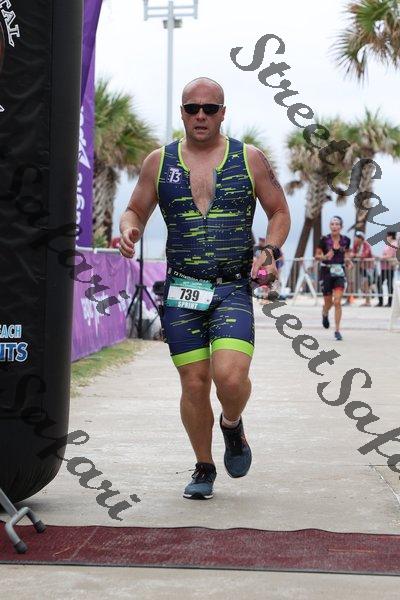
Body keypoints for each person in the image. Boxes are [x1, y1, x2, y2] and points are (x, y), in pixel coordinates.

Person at [118, 77, 290, 500]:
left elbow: (280, 211)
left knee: (230, 377)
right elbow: (135, 208)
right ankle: (204, 465)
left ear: (222, 113)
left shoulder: (248, 158)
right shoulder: (159, 162)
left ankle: (232, 423)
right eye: (192, 108)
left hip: (231, 288)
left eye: (209, 109)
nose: (200, 115)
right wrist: (129, 229)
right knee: (194, 383)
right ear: (182, 112)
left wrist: (269, 250)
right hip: (182, 289)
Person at [315, 216, 353, 341]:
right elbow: (317, 256)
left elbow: (346, 255)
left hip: (339, 273)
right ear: (330, 226)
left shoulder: (346, 240)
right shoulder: (324, 239)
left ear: (341, 227)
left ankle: (337, 330)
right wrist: (325, 257)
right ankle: (325, 313)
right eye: (332, 224)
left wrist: (348, 262)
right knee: (328, 303)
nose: (334, 226)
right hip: (326, 272)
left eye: (337, 224)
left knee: (337, 301)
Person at [376, 231, 398, 307]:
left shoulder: (393, 244)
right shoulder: (390, 244)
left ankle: (388, 302)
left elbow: (389, 256)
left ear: (390, 236)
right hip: (385, 268)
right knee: (384, 284)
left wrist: (380, 257)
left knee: (386, 284)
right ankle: (383, 301)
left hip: (389, 268)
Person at [352, 231, 374, 306]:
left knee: (366, 284)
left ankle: (368, 301)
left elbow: (364, 254)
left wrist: (355, 255)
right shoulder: (356, 245)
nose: (355, 238)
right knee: (364, 285)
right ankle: (368, 299)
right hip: (362, 267)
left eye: (357, 237)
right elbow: (352, 253)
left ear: (361, 238)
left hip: (368, 267)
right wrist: (356, 255)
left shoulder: (366, 245)